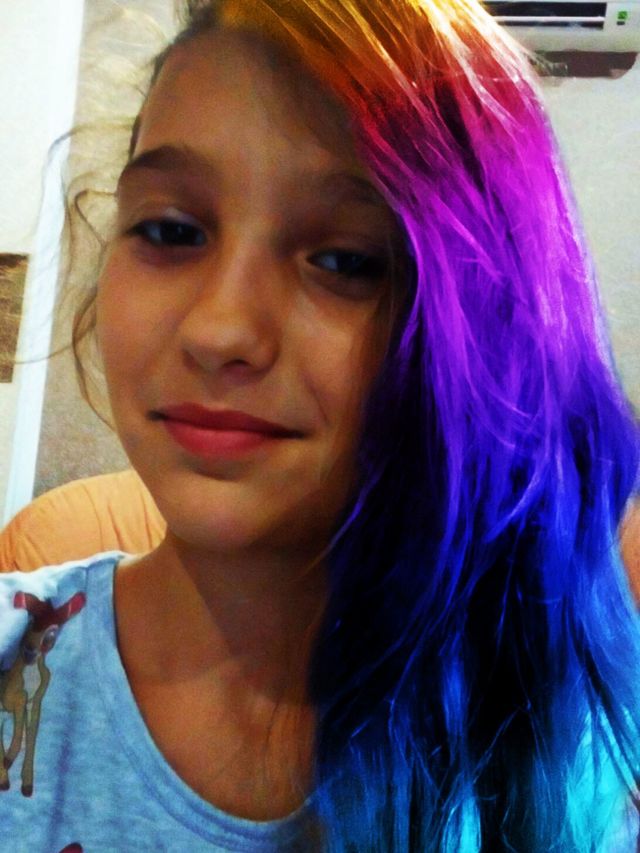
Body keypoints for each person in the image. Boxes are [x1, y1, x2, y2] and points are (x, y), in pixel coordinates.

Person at [1, 0, 639, 850]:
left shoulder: (551, 751)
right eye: (171, 230)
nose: (219, 329)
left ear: (485, 328)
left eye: (343, 260)